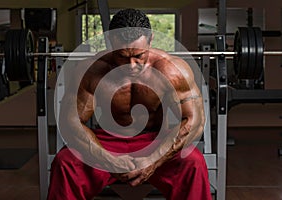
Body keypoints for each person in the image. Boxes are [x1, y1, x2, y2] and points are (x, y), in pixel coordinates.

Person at [47, 8, 212, 200]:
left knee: (193, 162)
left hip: (156, 141)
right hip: (106, 142)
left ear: (150, 41)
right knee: (65, 162)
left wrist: (153, 160)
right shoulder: (91, 70)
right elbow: (71, 122)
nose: (131, 65)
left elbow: (194, 122)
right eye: (122, 56)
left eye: (139, 56)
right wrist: (108, 160)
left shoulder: (172, 70)